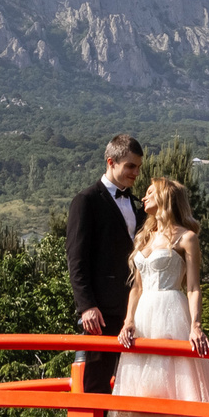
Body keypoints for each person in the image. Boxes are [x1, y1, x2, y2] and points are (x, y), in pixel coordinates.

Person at [105, 177, 209, 417]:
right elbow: (137, 287)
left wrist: (195, 325)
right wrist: (128, 321)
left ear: (165, 198)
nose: (143, 197)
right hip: (142, 316)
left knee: (171, 385)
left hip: (170, 310)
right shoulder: (145, 237)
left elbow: (193, 287)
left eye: (150, 192)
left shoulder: (186, 238)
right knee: (141, 389)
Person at [67, 133, 147, 394]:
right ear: (111, 162)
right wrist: (87, 306)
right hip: (100, 313)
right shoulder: (86, 201)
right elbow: (76, 259)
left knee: (134, 383)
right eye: (130, 166)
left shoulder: (137, 204)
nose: (136, 173)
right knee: (96, 383)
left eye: (138, 167)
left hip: (137, 311)